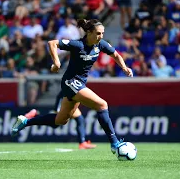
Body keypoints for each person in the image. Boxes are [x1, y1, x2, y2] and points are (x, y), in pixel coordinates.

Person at [11, 19, 133, 156]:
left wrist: (124, 67)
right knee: (102, 105)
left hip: (79, 83)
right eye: (98, 33)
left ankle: (26, 121)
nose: (101, 36)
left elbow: (116, 55)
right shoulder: (77, 44)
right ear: (89, 32)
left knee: (60, 121)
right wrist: (56, 63)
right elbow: (52, 43)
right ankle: (115, 143)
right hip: (71, 82)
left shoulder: (101, 45)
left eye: (102, 33)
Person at [24, 90, 97, 150]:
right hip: (65, 98)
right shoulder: (74, 79)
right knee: (60, 121)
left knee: (77, 120)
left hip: (68, 97)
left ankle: (82, 142)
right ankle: (82, 143)